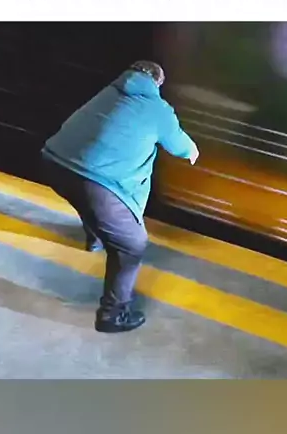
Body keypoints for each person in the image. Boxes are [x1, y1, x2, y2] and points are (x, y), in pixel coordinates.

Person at [41, 60, 199, 333]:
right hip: (96, 183)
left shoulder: (109, 92)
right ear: (158, 83)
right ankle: (112, 315)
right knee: (131, 246)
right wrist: (193, 152)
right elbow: (180, 146)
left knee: (85, 198)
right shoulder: (157, 109)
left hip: (54, 163)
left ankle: (95, 238)